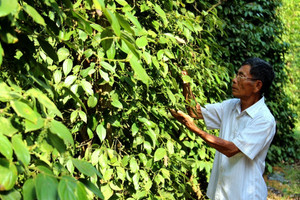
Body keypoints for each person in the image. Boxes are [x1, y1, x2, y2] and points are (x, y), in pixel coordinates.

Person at [170, 57, 276, 200]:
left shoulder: (264, 120)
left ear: (257, 85)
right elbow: (195, 112)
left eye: (241, 76)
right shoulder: (230, 106)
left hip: (245, 195)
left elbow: (231, 149)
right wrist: (185, 81)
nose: (234, 80)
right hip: (220, 194)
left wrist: (195, 129)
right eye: (236, 74)